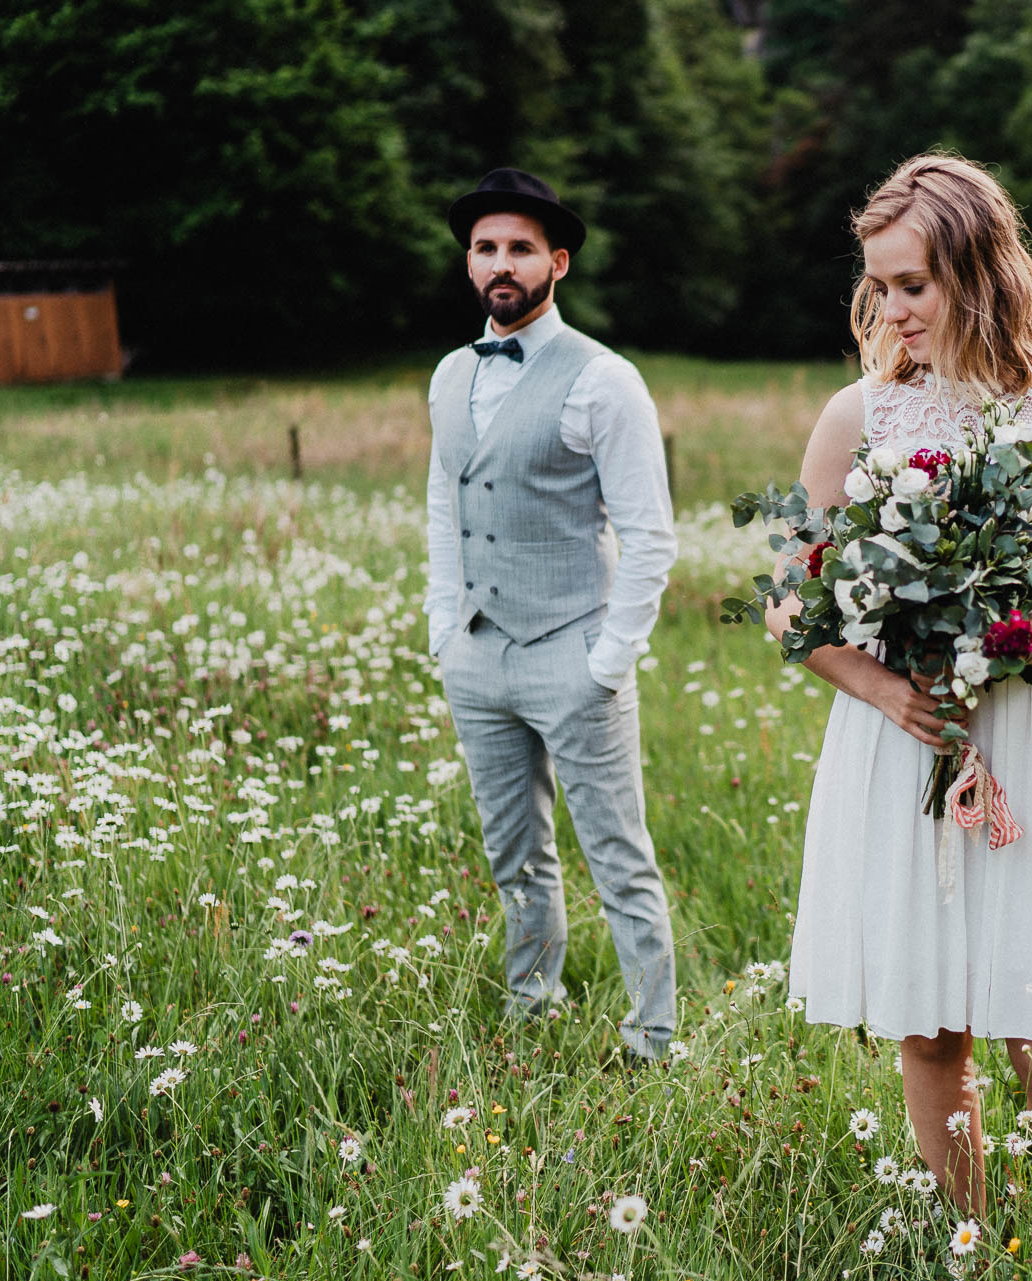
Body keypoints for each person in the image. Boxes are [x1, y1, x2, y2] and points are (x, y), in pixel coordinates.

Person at [772, 153, 1032, 1213]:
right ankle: (972, 1236)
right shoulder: (859, 417)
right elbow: (788, 603)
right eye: (879, 286)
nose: (892, 310)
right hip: (905, 735)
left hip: (1027, 731)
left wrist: (995, 632)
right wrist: (889, 689)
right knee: (934, 1026)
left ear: (980, 273)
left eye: (913, 285)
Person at [425, 168, 678, 1062]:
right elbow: (443, 507)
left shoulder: (605, 380)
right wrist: (443, 632)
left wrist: (607, 662)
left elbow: (651, 535)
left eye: (521, 248)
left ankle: (654, 1037)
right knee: (514, 855)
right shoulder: (452, 374)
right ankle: (531, 1009)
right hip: (479, 655)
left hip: (573, 651)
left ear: (556, 263)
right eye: (487, 248)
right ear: (469, 264)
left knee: (619, 858)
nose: (503, 263)